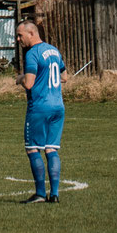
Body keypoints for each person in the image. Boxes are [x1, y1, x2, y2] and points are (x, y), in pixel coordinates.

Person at [17, 20, 68, 204]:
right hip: (58, 107)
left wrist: (20, 78)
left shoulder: (32, 53)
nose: (18, 39)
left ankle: (39, 193)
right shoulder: (54, 50)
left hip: (39, 107)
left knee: (32, 149)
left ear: (31, 33)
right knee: (51, 149)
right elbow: (64, 77)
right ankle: (54, 194)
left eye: (20, 35)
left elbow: (29, 83)